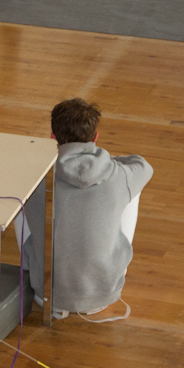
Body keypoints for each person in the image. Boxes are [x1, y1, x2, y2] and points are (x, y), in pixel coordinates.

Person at [47, 98, 153, 322]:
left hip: (46, 290)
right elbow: (143, 165)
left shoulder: (38, 173)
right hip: (104, 293)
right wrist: (106, 161)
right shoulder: (118, 174)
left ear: (53, 137)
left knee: (24, 199)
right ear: (95, 137)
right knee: (131, 190)